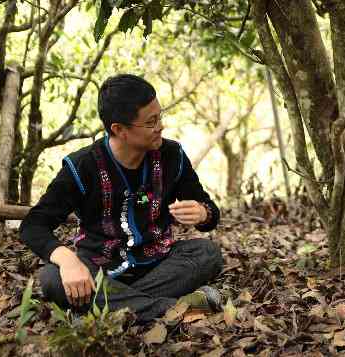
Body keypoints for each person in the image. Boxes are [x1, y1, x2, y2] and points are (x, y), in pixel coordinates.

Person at [20, 74, 224, 323]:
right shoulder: (82, 165)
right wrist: (68, 261)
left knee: (207, 252)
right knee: (52, 278)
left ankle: (108, 310)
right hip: (99, 268)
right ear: (119, 129)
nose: (160, 126)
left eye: (160, 117)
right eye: (151, 122)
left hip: (158, 263)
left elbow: (210, 213)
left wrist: (204, 213)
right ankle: (176, 309)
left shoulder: (172, 155)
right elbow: (33, 226)